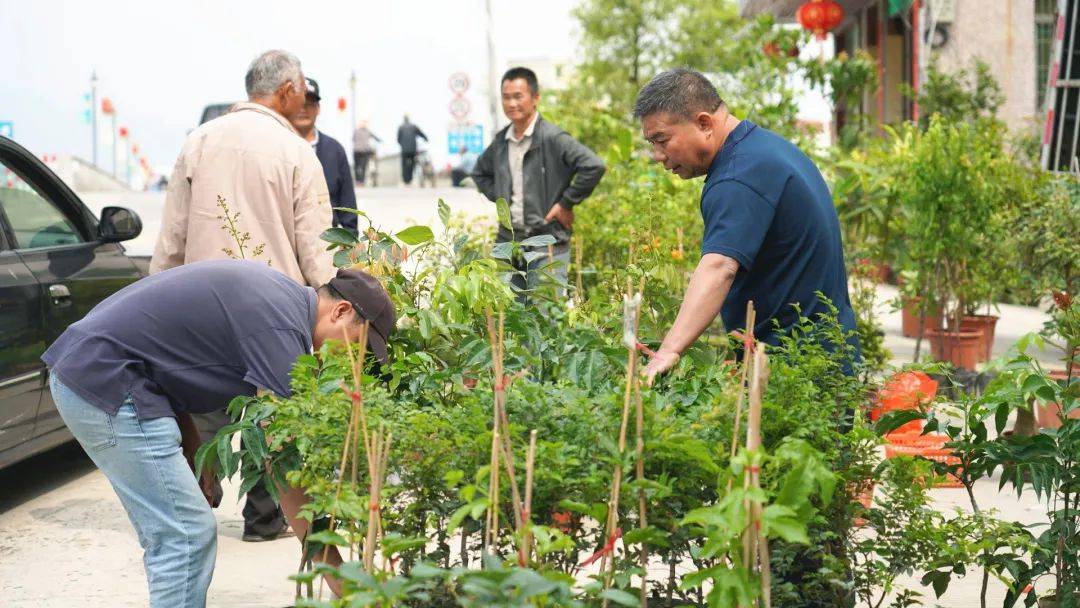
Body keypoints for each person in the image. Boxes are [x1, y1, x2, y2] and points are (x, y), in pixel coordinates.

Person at [41, 260, 396, 608]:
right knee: (184, 535)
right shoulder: (280, 331)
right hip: (105, 379)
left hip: (104, 372)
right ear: (341, 311)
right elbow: (282, 459)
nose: (354, 359)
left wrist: (197, 450)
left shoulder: (281, 301)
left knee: (177, 532)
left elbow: (163, 356)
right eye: (359, 344)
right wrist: (338, 574)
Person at [151, 49, 336, 542]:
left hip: (198, 306)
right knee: (267, 409)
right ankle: (262, 518)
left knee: (203, 408)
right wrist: (331, 303)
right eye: (300, 89)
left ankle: (194, 511)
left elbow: (172, 237)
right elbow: (317, 249)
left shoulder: (199, 141)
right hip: (269, 311)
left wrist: (159, 292)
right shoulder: (297, 151)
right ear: (287, 91)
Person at [632, 68, 858, 382]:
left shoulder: (738, 176)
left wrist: (669, 350)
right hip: (821, 356)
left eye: (662, 140)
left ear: (704, 123)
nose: (658, 155)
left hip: (798, 370)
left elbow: (719, 265)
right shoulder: (764, 149)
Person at [472, 66, 605, 294]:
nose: (512, 103)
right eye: (506, 97)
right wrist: (502, 196)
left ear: (535, 98)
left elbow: (594, 165)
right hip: (508, 241)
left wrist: (566, 204)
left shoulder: (553, 137)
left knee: (546, 317)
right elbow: (479, 173)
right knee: (507, 315)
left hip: (547, 240)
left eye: (518, 96)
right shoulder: (501, 141)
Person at [293, 77, 358, 234]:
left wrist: (350, 243)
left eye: (309, 104)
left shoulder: (335, 150)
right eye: (299, 104)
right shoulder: (278, 149)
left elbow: (348, 207)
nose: (303, 109)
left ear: (318, 108)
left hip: (328, 243)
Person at [396, 114, 427, 185]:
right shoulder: (413, 126)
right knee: (413, 163)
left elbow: (398, 139)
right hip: (413, 149)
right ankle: (410, 178)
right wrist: (426, 138)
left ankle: (405, 180)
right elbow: (421, 133)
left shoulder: (400, 127)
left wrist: (402, 144)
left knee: (404, 165)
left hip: (404, 150)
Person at [353, 121, 381, 185]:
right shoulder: (367, 131)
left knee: (357, 166)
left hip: (356, 151)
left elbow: (353, 139)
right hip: (364, 151)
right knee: (363, 166)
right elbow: (375, 137)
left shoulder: (356, 131)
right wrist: (380, 141)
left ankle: (358, 181)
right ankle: (361, 181)